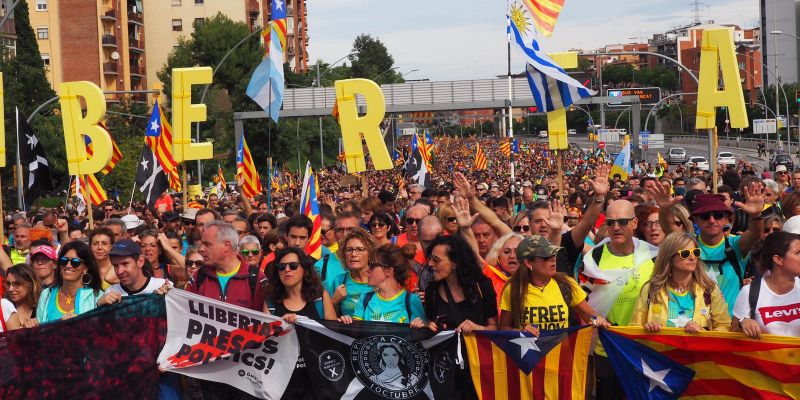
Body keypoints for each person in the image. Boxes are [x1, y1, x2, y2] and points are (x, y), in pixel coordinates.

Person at [263, 246, 336, 400]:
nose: (287, 270)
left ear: (305, 269)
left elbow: (333, 335)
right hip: (284, 383)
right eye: (281, 267)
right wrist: (283, 325)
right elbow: (265, 341)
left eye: (293, 266)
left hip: (316, 381)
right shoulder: (271, 302)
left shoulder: (319, 297)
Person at [499, 235, 609, 334]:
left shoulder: (566, 284)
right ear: (528, 263)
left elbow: (589, 315)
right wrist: (520, 331)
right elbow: (504, 327)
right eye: (546, 257)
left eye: (554, 254)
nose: (553, 259)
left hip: (561, 353)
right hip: (531, 354)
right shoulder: (513, 288)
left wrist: (597, 319)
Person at [631, 232, 731, 333]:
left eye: (696, 252)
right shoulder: (651, 289)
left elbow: (725, 326)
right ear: (669, 257)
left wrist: (703, 332)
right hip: (658, 349)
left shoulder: (710, 289)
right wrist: (647, 328)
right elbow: (634, 328)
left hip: (698, 349)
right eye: (685, 253)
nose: (692, 258)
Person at [733, 231, 800, 338]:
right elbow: (732, 337)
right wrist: (743, 323)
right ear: (778, 259)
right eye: (798, 253)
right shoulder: (749, 292)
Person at [339, 244, 426, 326]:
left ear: (388, 270)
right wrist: (347, 323)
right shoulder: (364, 298)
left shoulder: (412, 301)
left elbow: (423, 336)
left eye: (372, 265)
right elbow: (356, 334)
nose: (367, 270)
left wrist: (421, 326)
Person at [424, 235, 498, 332]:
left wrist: (479, 328)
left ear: (455, 262)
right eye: (430, 258)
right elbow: (431, 323)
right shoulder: (432, 290)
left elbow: (494, 327)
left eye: (436, 259)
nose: (430, 264)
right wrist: (427, 326)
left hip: (475, 347)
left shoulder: (482, 286)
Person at [187, 221, 266, 310]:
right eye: (201, 244)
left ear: (226, 245)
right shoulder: (199, 276)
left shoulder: (256, 278)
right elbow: (185, 309)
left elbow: (266, 320)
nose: (201, 249)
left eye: (207, 244)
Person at [30, 241, 105, 325]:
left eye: (75, 262)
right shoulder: (47, 294)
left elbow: (99, 329)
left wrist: (79, 321)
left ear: (85, 268)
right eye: (64, 261)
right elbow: (40, 330)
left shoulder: (96, 296)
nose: (68, 265)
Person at [97, 239, 171, 304]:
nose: (119, 271)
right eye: (115, 265)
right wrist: (99, 305)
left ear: (140, 261)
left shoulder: (162, 286)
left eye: (125, 263)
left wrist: (168, 297)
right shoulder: (111, 292)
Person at [327, 228, 376, 317]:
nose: (353, 254)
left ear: (370, 253)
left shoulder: (380, 280)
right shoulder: (339, 280)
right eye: (349, 250)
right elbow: (328, 318)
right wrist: (334, 301)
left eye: (360, 249)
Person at [3, 264, 39, 328]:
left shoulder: (41, 308)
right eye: (8, 284)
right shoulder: (3, 309)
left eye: (17, 284)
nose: (10, 289)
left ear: (30, 284)